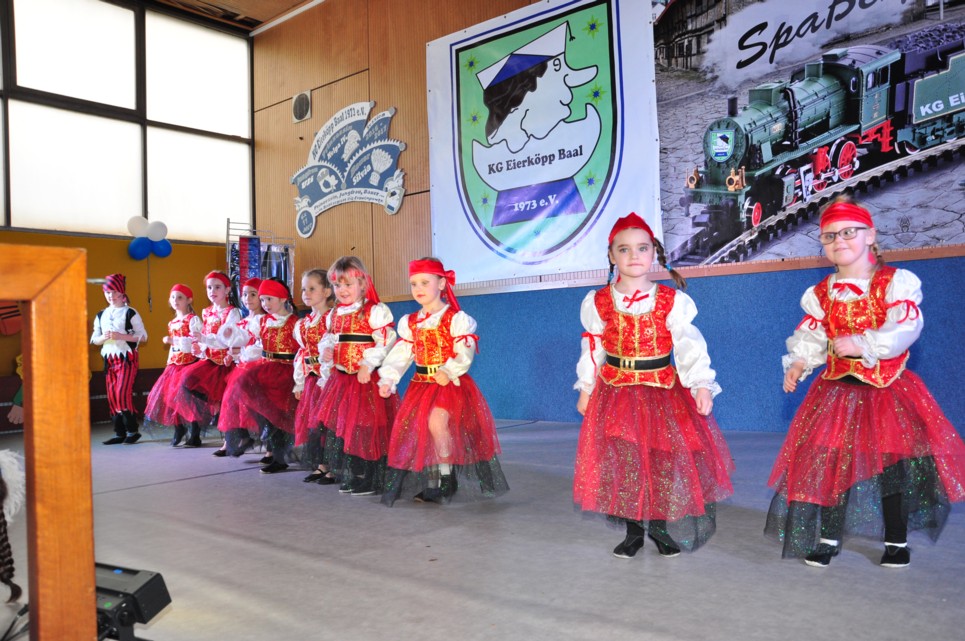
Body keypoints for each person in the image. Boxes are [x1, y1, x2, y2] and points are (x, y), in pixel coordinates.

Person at [765, 198, 965, 568]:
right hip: (836, 392)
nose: (838, 241)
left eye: (848, 232)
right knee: (832, 465)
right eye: (829, 236)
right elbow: (811, 335)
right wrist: (799, 362)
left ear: (870, 235)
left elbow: (906, 325)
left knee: (892, 470)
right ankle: (828, 538)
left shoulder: (893, 283)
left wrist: (865, 342)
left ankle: (896, 542)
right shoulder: (822, 293)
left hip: (886, 392)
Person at [573, 213, 733, 559]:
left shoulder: (670, 301)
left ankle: (659, 528)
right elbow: (593, 347)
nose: (634, 255)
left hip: (661, 392)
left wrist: (701, 384)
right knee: (628, 464)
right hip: (617, 392)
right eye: (624, 249)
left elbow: (689, 345)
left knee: (660, 463)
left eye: (642, 248)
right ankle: (633, 532)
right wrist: (586, 387)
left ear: (654, 253)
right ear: (611, 255)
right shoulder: (599, 301)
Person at [378, 258, 508, 506]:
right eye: (414, 283)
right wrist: (389, 379)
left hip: (449, 385)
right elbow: (401, 356)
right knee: (422, 430)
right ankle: (439, 476)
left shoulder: (455, 319)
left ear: (441, 284)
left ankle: (447, 479)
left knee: (437, 423)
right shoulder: (410, 323)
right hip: (421, 385)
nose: (418, 288)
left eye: (424, 282)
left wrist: (449, 369)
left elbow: (464, 351)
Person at [315, 256, 397, 495]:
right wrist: (327, 351)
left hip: (366, 381)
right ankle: (356, 473)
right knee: (345, 428)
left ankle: (372, 476)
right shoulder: (334, 314)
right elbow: (330, 338)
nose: (342, 290)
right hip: (342, 380)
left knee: (366, 428)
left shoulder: (374, 311)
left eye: (348, 284)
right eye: (337, 285)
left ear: (362, 284)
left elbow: (386, 341)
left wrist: (367, 364)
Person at [219, 278, 299, 473]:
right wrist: (230, 334)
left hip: (285, 372)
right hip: (265, 369)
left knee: (280, 416)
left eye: (269, 299)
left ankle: (279, 456)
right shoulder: (262, 321)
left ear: (283, 299)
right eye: (262, 300)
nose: (265, 304)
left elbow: (303, 349)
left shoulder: (295, 323)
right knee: (264, 411)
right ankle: (274, 451)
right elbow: (245, 336)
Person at [176, 271, 242, 447]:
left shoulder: (232, 312)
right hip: (210, 361)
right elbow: (205, 336)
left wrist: (204, 340)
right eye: (209, 287)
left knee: (228, 401)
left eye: (217, 287)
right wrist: (200, 348)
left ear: (227, 290)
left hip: (225, 363)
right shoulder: (206, 312)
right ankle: (215, 413)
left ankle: (229, 441)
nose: (212, 291)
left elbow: (226, 340)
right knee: (187, 381)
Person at [90, 273, 148, 445]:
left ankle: (132, 430)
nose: (111, 296)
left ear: (122, 292)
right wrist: (104, 337)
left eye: (114, 292)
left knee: (122, 393)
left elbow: (143, 336)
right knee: (112, 396)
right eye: (108, 292)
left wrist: (121, 336)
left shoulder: (130, 312)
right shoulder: (101, 315)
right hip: (109, 359)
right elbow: (94, 339)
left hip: (126, 358)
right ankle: (119, 432)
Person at [211, 277, 265, 458]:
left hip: (259, 367)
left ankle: (250, 440)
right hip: (243, 366)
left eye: (253, 294)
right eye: (245, 294)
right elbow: (239, 344)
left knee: (238, 397)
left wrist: (242, 354)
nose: (248, 298)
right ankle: (235, 439)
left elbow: (259, 346)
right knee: (230, 399)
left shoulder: (264, 320)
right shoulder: (243, 321)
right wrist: (232, 354)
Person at [144, 284, 202, 446]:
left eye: (180, 297)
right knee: (170, 396)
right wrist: (169, 362)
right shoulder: (172, 323)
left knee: (188, 399)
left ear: (189, 300)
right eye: (173, 297)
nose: (175, 300)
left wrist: (174, 340)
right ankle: (179, 428)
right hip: (174, 364)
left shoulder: (193, 320)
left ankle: (195, 433)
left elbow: (196, 342)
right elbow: (173, 348)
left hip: (190, 363)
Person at [294, 269, 336, 484]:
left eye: (312, 288)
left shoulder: (333, 318)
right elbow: (302, 354)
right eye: (303, 289)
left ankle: (333, 467)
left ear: (327, 291)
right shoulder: (303, 323)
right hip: (312, 380)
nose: (306, 293)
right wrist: (299, 383)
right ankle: (322, 465)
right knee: (315, 425)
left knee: (329, 424)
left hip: (329, 379)